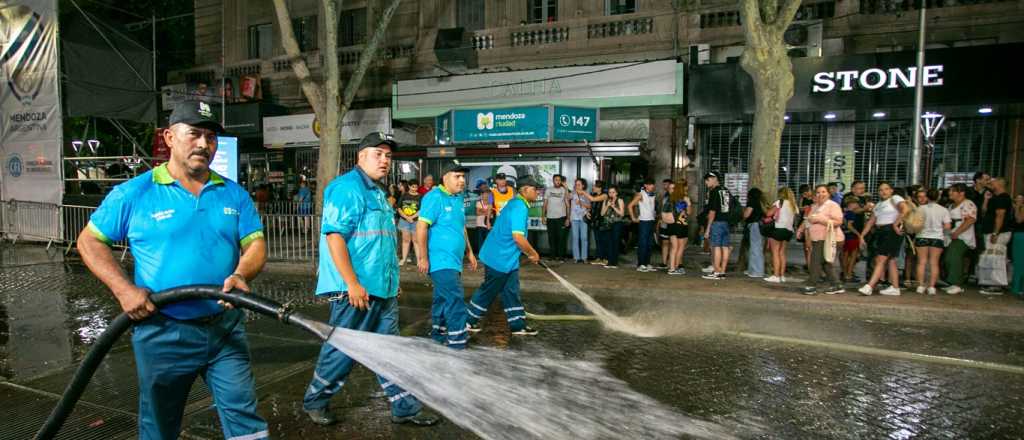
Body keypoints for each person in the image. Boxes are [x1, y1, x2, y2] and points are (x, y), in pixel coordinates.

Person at [77, 101, 270, 439]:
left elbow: (255, 245)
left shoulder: (234, 194)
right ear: (169, 137)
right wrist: (124, 290)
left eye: (211, 137)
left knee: (245, 416)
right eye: (194, 134)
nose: (203, 144)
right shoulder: (135, 193)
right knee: (160, 425)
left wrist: (241, 274)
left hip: (225, 328)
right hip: (163, 331)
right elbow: (89, 241)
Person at [303, 132, 438, 427]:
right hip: (354, 290)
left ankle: (405, 408)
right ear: (360, 156)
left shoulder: (377, 192)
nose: (384, 160)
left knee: (391, 351)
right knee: (343, 350)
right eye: (378, 154)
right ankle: (315, 400)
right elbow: (335, 237)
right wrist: (352, 283)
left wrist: (393, 281)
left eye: (388, 156)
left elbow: (382, 242)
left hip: (381, 289)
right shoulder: (346, 188)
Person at [466, 176, 544, 336]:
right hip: (499, 257)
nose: (537, 192)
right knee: (489, 290)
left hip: (508, 258)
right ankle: (467, 320)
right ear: (525, 189)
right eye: (535, 189)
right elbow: (518, 237)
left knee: (511, 290)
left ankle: (518, 325)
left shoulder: (517, 203)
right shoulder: (519, 207)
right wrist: (532, 253)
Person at [416, 164, 478, 349]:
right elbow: (421, 227)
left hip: (454, 260)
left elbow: (461, 227)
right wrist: (423, 258)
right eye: (457, 176)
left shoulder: (458, 198)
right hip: (440, 260)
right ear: (445, 178)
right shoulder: (434, 197)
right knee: (455, 298)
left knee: (442, 297)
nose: (462, 180)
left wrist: (470, 252)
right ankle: (458, 341)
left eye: (463, 177)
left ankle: (439, 333)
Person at [858, 181, 910, 296]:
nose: (883, 192)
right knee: (891, 260)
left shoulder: (895, 198)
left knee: (881, 259)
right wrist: (862, 236)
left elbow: (905, 209)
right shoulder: (878, 204)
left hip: (891, 231)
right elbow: (871, 221)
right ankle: (895, 288)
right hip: (880, 232)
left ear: (891, 190)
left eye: (886, 189)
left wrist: (896, 224)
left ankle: (869, 286)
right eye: (881, 190)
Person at [797, 185, 845, 295]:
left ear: (828, 194)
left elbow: (838, 222)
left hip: (828, 238)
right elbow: (807, 220)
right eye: (818, 192)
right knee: (825, 262)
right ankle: (836, 285)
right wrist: (800, 229)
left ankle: (812, 285)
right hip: (817, 238)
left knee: (815, 261)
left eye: (823, 192)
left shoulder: (833, 205)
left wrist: (821, 220)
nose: (820, 194)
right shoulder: (814, 206)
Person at [913, 188, 951, 295]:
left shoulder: (920, 208)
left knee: (921, 262)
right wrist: (939, 229)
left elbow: (915, 224)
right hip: (937, 238)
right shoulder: (944, 210)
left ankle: (920, 286)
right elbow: (947, 226)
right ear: (938, 197)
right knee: (934, 263)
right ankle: (932, 287)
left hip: (922, 236)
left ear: (927, 197)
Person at [978, 177, 1012, 295]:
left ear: (1000, 184)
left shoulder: (1003, 198)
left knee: (996, 258)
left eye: (993, 182)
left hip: (999, 233)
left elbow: (1000, 215)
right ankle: (992, 283)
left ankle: (996, 285)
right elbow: (984, 211)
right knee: (990, 257)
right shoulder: (994, 198)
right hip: (991, 231)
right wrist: (986, 199)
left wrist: (995, 233)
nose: (991, 183)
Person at [943, 184, 977, 295]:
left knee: (953, 257)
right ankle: (952, 282)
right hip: (950, 236)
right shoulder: (951, 206)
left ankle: (957, 283)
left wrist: (957, 232)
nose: (950, 193)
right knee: (948, 258)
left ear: (961, 193)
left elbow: (970, 220)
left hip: (962, 236)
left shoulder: (968, 204)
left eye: (953, 191)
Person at [701, 172, 734, 280]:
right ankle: (722, 272)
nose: (706, 183)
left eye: (707, 180)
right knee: (725, 247)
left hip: (717, 223)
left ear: (714, 179)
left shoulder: (714, 192)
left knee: (716, 247)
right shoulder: (726, 190)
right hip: (726, 222)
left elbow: (712, 212)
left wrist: (708, 229)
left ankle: (716, 272)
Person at [765, 187, 797, 283]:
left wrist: (769, 208)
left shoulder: (780, 202)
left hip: (778, 229)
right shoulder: (793, 204)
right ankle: (782, 276)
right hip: (789, 231)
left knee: (775, 253)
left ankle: (776, 275)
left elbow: (768, 214)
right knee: (782, 253)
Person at [628, 179, 658, 272]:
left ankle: (647, 263)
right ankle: (641, 264)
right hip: (644, 222)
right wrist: (633, 218)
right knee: (643, 243)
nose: (652, 186)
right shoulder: (640, 194)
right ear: (645, 185)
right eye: (650, 184)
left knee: (649, 244)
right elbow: (630, 205)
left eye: (653, 184)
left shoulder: (653, 194)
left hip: (651, 221)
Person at [664, 179, 693, 275]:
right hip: (681, 225)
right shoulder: (684, 198)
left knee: (673, 247)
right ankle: (675, 267)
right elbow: (689, 212)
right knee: (680, 247)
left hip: (671, 225)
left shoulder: (670, 198)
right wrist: (688, 203)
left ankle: (672, 268)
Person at [542, 174, 570, 261]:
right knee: (551, 238)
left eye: (559, 180)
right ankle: (552, 256)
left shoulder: (563, 190)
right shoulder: (548, 190)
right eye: (556, 180)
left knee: (561, 238)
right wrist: (543, 216)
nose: (557, 181)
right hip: (550, 218)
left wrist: (568, 218)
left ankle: (561, 257)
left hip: (561, 217)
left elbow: (568, 204)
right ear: (553, 181)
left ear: (561, 181)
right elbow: (545, 204)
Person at [599, 186, 626, 268]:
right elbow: (602, 214)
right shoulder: (606, 201)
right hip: (607, 224)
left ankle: (615, 262)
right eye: (610, 192)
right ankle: (609, 262)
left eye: (613, 192)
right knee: (608, 242)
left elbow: (622, 214)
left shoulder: (620, 200)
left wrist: (614, 207)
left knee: (615, 242)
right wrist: (607, 206)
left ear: (616, 193)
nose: (611, 194)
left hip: (617, 223)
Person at [397, 181, 423, 266]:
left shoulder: (420, 196)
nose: (414, 189)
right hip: (404, 221)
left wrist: (412, 217)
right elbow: (399, 208)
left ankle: (419, 261)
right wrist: (406, 217)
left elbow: (421, 209)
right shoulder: (404, 195)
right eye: (413, 187)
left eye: (416, 187)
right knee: (405, 240)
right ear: (409, 186)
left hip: (416, 221)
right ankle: (403, 259)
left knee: (416, 241)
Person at [841, 197, 865, 282]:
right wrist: (859, 235)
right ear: (851, 204)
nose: (858, 205)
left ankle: (845, 274)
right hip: (852, 237)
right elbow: (849, 226)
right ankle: (849, 274)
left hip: (844, 236)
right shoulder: (851, 213)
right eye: (856, 203)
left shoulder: (844, 213)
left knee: (845, 256)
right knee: (853, 256)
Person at [743, 187, 766, 278]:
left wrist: (743, 213)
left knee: (755, 248)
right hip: (759, 226)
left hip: (754, 226)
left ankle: (757, 271)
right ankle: (752, 269)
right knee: (755, 248)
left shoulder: (752, 202)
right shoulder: (760, 203)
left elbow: (747, 214)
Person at [587, 180, 610, 265]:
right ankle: (599, 258)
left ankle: (605, 258)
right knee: (598, 240)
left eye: (595, 186)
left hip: (602, 220)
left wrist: (583, 192)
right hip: (595, 220)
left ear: (600, 188)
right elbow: (591, 206)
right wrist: (588, 211)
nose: (593, 187)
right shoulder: (593, 194)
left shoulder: (604, 195)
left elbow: (593, 199)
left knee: (604, 240)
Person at [569, 178, 592, 263]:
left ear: (583, 185)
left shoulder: (586, 194)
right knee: (575, 238)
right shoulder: (573, 193)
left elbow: (589, 206)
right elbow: (567, 197)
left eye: (579, 184)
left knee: (584, 238)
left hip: (583, 218)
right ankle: (576, 257)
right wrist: (569, 189)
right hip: (574, 218)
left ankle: (584, 257)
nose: (577, 186)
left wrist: (581, 203)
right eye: (576, 184)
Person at [657, 179, 675, 270]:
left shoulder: (676, 197)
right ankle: (664, 262)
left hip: (673, 223)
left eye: (667, 185)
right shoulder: (665, 196)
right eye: (664, 185)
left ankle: (671, 263)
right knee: (665, 242)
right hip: (665, 222)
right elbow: (662, 209)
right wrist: (660, 219)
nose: (666, 187)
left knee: (673, 243)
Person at [798, 184, 815, 270]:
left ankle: (811, 264)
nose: (804, 195)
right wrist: (803, 208)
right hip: (803, 221)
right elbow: (799, 209)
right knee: (805, 245)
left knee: (811, 245)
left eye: (805, 193)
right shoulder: (802, 199)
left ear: (809, 191)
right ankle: (807, 262)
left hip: (812, 222)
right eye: (802, 194)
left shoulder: (814, 198)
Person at [474, 180, 493, 254]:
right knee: (480, 241)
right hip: (480, 225)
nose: (486, 195)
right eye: (484, 194)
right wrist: (487, 212)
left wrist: (483, 211)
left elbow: (491, 212)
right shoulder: (479, 202)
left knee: (488, 241)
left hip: (488, 225)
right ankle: (481, 254)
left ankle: (487, 254)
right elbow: (477, 212)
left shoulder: (491, 199)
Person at [1011, 194, 1024, 298]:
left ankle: (1017, 288)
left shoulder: (1021, 208)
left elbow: (1019, 220)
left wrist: (1017, 208)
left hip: (1021, 235)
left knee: (1019, 262)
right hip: (1018, 235)